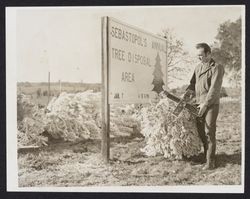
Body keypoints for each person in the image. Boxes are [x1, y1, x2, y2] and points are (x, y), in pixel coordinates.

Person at [185, 43, 224, 170]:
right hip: (198, 104)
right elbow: (192, 84)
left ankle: (210, 162)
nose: (199, 58)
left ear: (208, 54)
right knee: (201, 131)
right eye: (198, 56)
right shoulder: (198, 67)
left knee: (209, 132)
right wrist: (185, 96)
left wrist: (205, 104)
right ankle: (206, 156)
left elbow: (214, 89)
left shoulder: (217, 68)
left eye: (201, 55)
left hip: (211, 105)